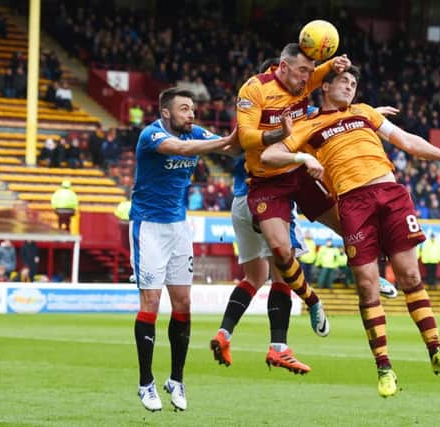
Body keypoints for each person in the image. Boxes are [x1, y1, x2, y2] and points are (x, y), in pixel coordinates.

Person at [261, 65, 440, 398]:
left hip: (391, 193)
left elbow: (405, 140)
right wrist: (301, 158)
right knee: (368, 287)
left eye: (354, 83)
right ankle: (384, 369)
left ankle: (436, 351)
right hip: (353, 203)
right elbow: (270, 154)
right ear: (324, 87)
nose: (350, 87)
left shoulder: (365, 112)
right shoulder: (307, 125)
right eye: (343, 81)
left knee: (410, 276)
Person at [129, 88, 237, 412]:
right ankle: (145, 382)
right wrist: (224, 141)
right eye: (184, 109)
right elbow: (180, 148)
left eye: (192, 109)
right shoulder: (152, 135)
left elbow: (234, 147)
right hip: (148, 227)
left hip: (178, 228)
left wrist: (273, 134)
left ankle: (176, 379)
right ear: (166, 113)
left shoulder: (197, 133)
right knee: (151, 301)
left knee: (184, 302)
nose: (191, 114)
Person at [237, 43, 352, 338]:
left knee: (349, 225)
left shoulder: (305, 80)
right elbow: (246, 137)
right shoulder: (254, 90)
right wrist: (279, 134)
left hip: (299, 173)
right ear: (282, 67)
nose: (307, 78)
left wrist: (337, 63)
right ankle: (313, 301)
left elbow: (329, 79)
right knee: (280, 250)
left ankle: (375, 276)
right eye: (302, 71)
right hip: (266, 179)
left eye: (310, 72)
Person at [210, 154, 314, 374]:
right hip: (270, 198)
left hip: (240, 201)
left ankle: (224, 334)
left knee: (255, 277)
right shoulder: (281, 123)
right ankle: (279, 347)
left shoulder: (248, 122)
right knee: (282, 274)